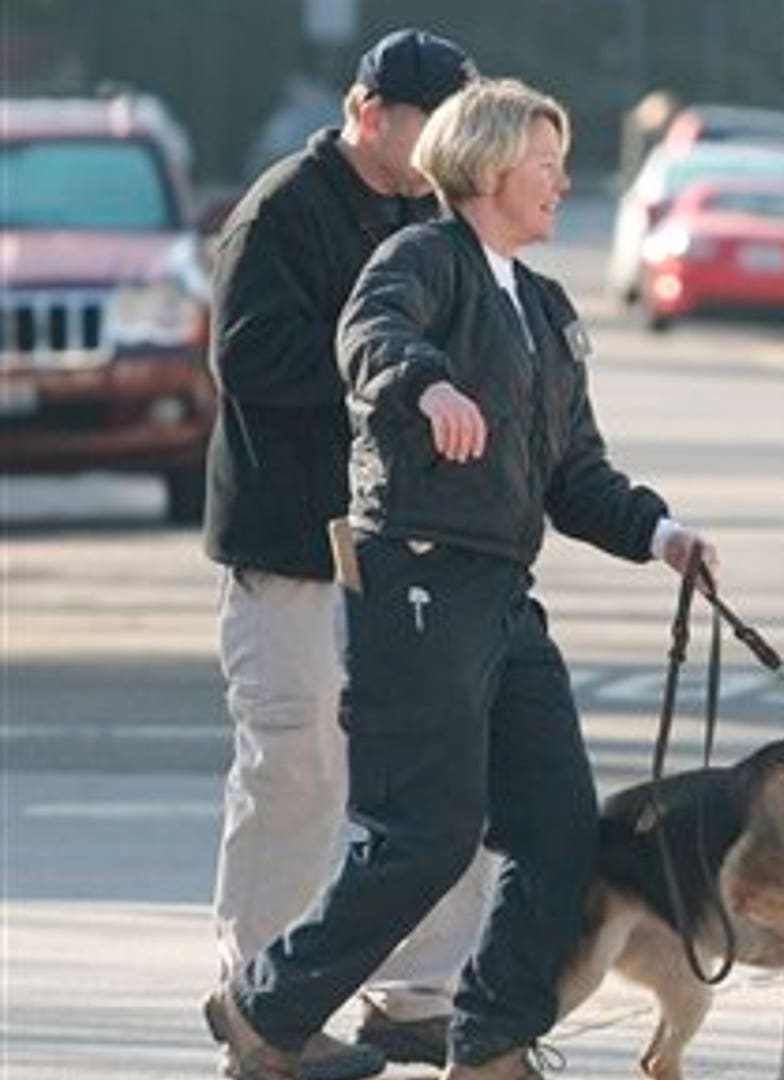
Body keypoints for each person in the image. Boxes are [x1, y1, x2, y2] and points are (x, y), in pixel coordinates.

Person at [204, 77, 716, 1080]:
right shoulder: (419, 260)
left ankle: (488, 1039)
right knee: (426, 837)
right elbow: (368, 337)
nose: (562, 183)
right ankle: (266, 1012)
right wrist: (427, 381)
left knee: (560, 831)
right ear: (487, 170)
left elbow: (575, 473)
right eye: (544, 165)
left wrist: (660, 533)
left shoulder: (545, 307)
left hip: (503, 597)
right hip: (419, 584)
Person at [202, 28, 490, 1078]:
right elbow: (246, 357)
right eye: (433, 125)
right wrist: (391, 369)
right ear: (368, 112)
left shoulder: (431, 213)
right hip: (291, 545)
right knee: (296, 773)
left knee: (434, 768)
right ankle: (263, 1003)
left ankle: (421, 997)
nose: (449, 148)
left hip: (400, 546)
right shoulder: (283, 210)